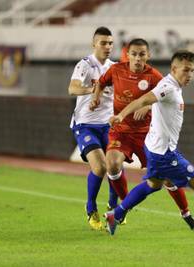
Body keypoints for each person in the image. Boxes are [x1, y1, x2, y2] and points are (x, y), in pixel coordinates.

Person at [104, 50, 194, 236]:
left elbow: (151, 102)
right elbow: (143, 99)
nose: (190, 75)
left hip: (154, 148)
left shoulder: (173, 87)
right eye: (186, 70)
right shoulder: (168, 87)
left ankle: (117, 214)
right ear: (174, 69)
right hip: (164, 154)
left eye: (192, 71)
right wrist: (121, 115)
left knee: (153, 185)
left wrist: (146, 108)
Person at [90, 39, 194, 231]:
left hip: (147, 135)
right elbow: (100, 83)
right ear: (127, 55)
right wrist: (95, 97)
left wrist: (149, 105)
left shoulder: (154, 76)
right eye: (134, 53)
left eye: (142, 54)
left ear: (148, 56)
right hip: (121, 130)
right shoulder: (116, 70)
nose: (138, 58)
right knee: (112, 163)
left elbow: (165, 93)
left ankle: (186, 213)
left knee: (166, 179)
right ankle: (119, 205)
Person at [68, 26, 118, 230]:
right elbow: (72, 88)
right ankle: (91, 207)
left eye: (110, 43)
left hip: (108, 125)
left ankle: (114, 209)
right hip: (85, 124)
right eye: (103, 43)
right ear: (94, 44)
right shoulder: (85, 65)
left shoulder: (115, 68)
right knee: (100, 167)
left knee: (115, 166)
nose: (107, 47)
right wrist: (93, 89)